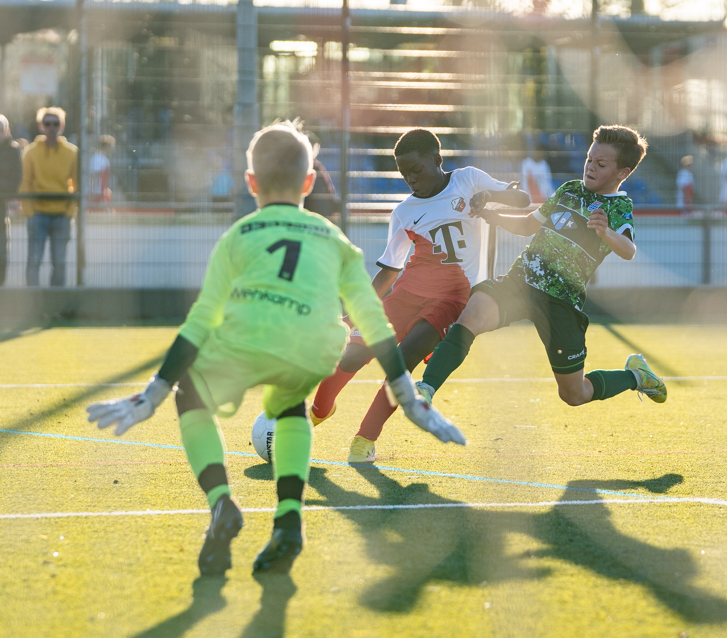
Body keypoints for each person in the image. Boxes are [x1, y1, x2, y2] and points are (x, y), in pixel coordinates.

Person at [86, 121, 466, 576]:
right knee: (289, 404)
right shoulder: (334, 240)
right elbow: (372, 319)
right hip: (312, 346)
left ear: (250, 184)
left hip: (250, 340)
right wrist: (407, 393)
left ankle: (221, 503)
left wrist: (155, 390)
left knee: (192, 393)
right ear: (309, 182)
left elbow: (201, 319)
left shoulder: (239, 236)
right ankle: (289, 520)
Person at [308, 128, 530, 463]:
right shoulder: (404, 212)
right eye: (404, 174)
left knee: (402, 362)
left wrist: (491, 198)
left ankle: (364, 440)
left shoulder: (468, 180)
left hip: (452, 299)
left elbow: (522, 199)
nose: (411, 179)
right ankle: (316, 412)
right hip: (407, 293)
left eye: (417, 170)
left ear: (438, 160)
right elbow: (389, 270)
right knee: (352, 357)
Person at [416, 125, 667, 411]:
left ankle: (636, 376)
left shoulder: (618, 207)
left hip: (560, 303)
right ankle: (426, 388)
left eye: (601, 164)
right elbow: (526, 225)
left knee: (574, 394)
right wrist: (493, 215)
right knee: (470, 316)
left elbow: (628, 251)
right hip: (520, 281)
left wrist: (606, 233)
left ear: (622, 173)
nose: (590, 168)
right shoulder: (569, 190)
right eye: (588, 159)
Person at [19, 107, 78, 287]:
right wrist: (29, 211)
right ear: (41, 126)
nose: (51, 127)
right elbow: (25, 183)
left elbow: (76, 184)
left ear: (61, 126)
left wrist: (69, 211)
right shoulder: (31, 152)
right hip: (38, 214)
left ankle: (57, 308)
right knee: (34, 260)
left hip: (62, 215)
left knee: (59, 263)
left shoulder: (72, 152)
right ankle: (33, 304)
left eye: (55, 123)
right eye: (47, 123)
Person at [0, 114, 22, 286]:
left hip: (1, 209)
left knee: (1, 252)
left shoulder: (14, 150)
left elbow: (16, 180)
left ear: (6, 131)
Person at [89, 134, 115, 205]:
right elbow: (94, 175)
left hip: (101, 191)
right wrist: (93, 192)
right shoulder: (98, 158)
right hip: (97, 192)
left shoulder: (104, 158)